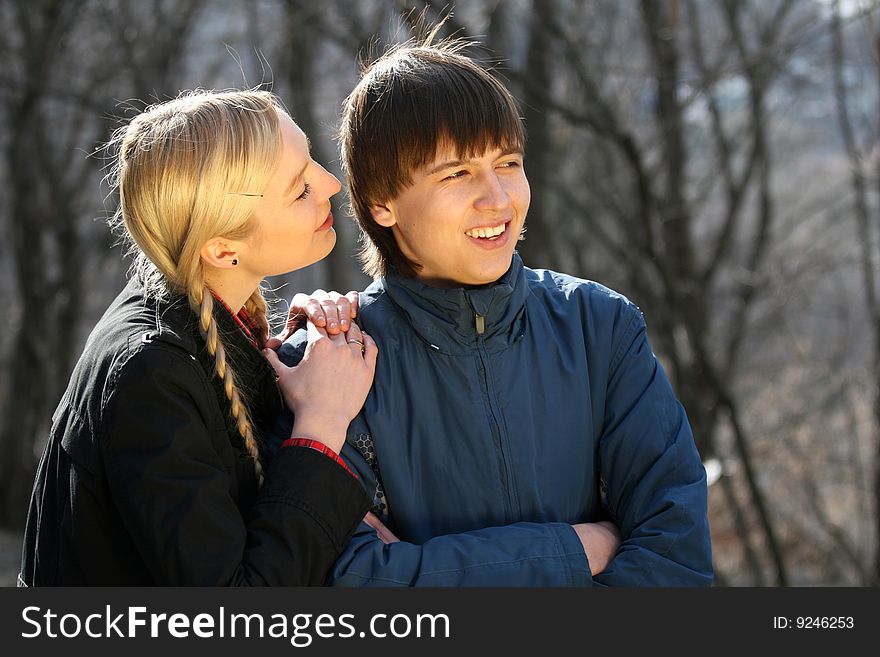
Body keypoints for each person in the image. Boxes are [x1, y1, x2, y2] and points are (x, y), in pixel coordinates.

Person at [274, 39, 714, 586]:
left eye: (507, 163)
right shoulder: (325, 365)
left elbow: (676, 558)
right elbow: (344, 581)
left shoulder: (600, 328)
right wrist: (578, 548)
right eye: (456, 174)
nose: (498, 200)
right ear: (381, 201)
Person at [18, 89, 382, 586]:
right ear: (221, 249)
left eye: (312, 160)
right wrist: (320, 425)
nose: (330, 184)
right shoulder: (148, 375)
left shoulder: (206, 320)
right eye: (299, 189)